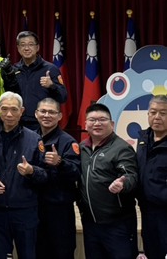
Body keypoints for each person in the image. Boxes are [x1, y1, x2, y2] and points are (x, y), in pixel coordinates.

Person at [0, 91, 46, 259]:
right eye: (4, 109)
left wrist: (31, 171)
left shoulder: (34, 139)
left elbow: (45, 175)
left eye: (14, 109)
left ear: (22, 111)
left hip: (25, 210)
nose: (9, 114)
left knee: (27, 255)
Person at [78, 103, 138, 259]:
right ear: (86, 124)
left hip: (117, 224)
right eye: (92, 120)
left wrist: (122, 183)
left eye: (102, 119)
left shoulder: (121, 148)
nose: (97, 123)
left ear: (112, 124)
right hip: (90, 223)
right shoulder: (82, 148)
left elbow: (131, 175)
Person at [34, 98, 80, 259]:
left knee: (62, 252)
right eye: (43, 111)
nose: (46, 115)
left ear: (60, 116)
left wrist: (60, 162)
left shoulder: (68, 141)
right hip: (35, 208)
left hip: (59, 210)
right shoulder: (30, 137)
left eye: (52, 112)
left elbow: (76, 172)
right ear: (36, 114)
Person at [14, 31, 67, 129]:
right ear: (18, 48)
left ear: (37, 47)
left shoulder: (50, 69)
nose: (26, 48)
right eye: (23, 45)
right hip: (18, 122)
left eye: (31, 44)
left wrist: (51, 85)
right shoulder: (14, 70)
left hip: (42, 123)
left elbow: (63, 97)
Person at [137, 95, 167, 259]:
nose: (157, 117)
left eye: (163, 113)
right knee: (151, 251)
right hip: (147, 211)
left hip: (164, 211)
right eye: (153, 112)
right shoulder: (143, 139)